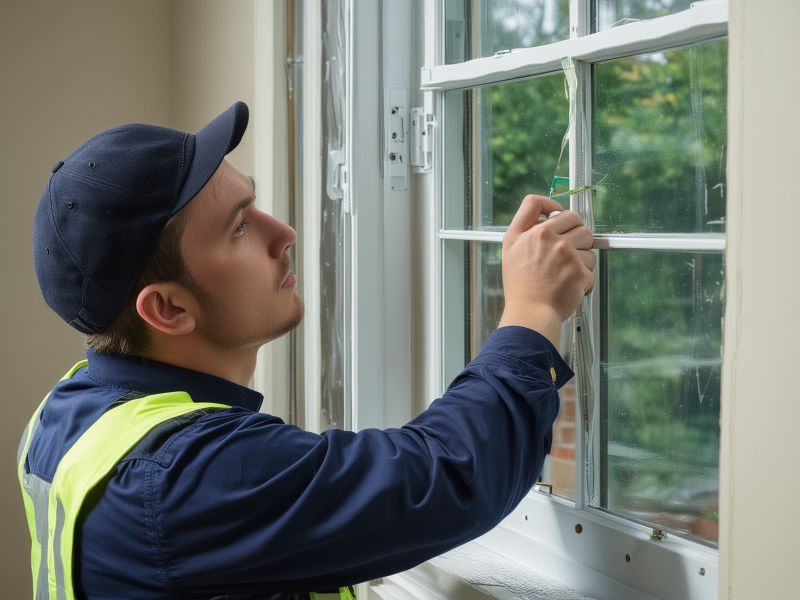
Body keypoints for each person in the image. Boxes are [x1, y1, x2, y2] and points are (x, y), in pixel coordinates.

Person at [19, 102, 594, 600]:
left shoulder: (74, 410)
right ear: (168, 309)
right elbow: (447, 478)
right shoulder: (182, 476)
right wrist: (532, 312)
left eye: (255, 204)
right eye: (239, 227)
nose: (284, 233)